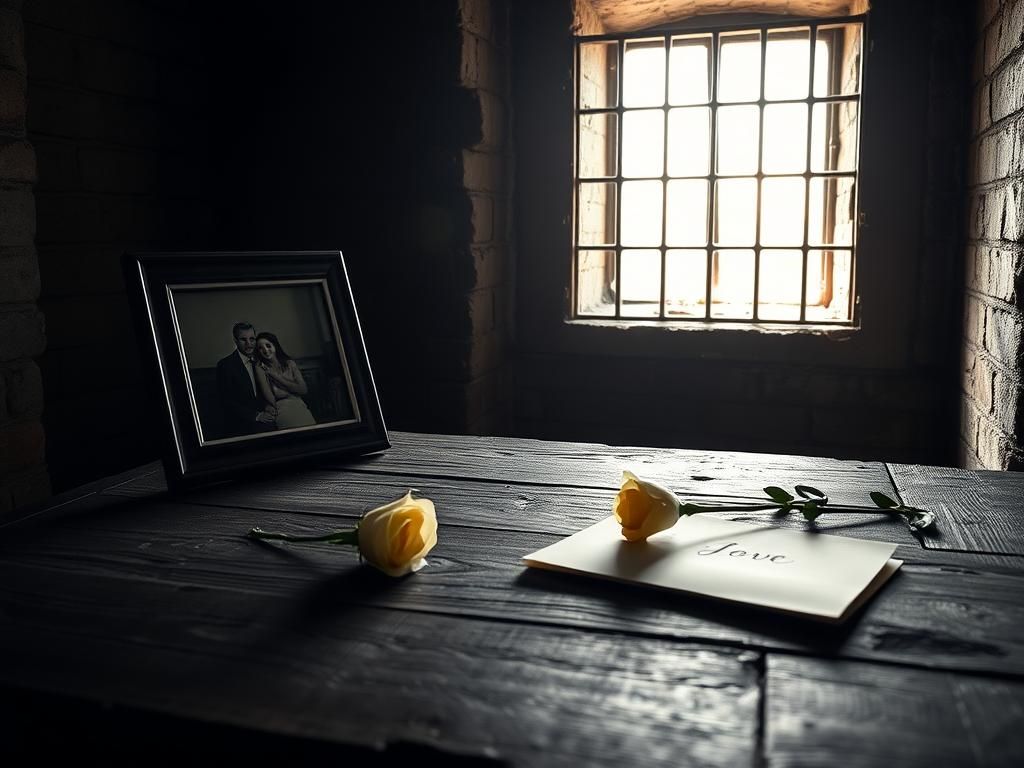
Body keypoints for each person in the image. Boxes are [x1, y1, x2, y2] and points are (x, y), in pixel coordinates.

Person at [216, 322, 277, 438]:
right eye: (243, 339)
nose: (249, 344)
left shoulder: (263, 359)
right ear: (235, 340)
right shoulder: (225, 365)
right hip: (241, 422)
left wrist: (267, 405)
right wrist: (256, 416)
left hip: (267, 414)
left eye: (252, 339)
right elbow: (226, 400)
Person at [253, 331, 316, 429]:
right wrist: (293, 389)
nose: (265, 350)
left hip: (299, 405)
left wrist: (275, 376)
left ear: (275, 345)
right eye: (260, 348)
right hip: (281, 409)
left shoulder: (290, 363)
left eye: (268, 345)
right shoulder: (260, 368)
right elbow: (270, 399)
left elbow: (303, 390)